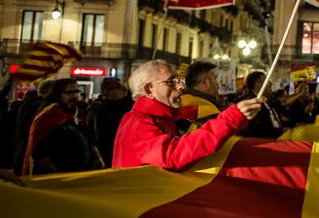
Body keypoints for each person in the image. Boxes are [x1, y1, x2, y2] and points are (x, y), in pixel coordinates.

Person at [112, 60, 263, 171]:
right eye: (171, 82)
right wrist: (231, 118)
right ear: (149, 89)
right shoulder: (140, 123)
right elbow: (173, 155)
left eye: (179, 80)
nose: (181, 87)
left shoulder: (155, 118)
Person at [23, 78, 104, 175]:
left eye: (76, 92)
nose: (74, 96)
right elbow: (41, 155)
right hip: (59, 178)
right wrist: (57, 178)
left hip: (82, 175)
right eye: (69, 92)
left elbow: (89, 138)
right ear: (57, 94)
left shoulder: (79, 114)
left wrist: (97, 156)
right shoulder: (47, 117)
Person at [86, 78, 134, 167]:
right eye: (118, 87)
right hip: (107, 150)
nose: (123, 89)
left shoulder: (131, 105)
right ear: (106, 91)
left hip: (126, 148)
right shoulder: (98, 109)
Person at [238, 71, 284, 137]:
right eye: (267, 81)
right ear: (258, 85)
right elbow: (256, 130)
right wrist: (280, 131)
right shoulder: (251, 105)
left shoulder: (268, 101)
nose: (270, 84)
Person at [179, 61, 222, 125]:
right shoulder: (208, 112)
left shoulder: (179, 102)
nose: (218, 84)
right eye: (215, 79)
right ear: (205, 83)